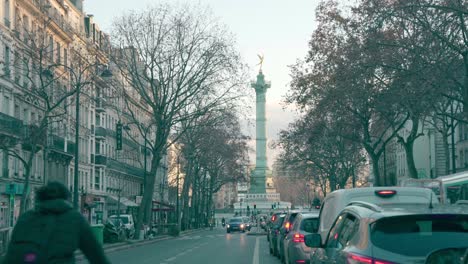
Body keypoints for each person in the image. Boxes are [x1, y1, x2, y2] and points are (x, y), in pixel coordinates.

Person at [2, 181, 111, 264]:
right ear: (67, 199)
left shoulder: (25, 218)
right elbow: (96, 255)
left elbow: (11, 253)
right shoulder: (74, 219)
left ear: (39, 199)